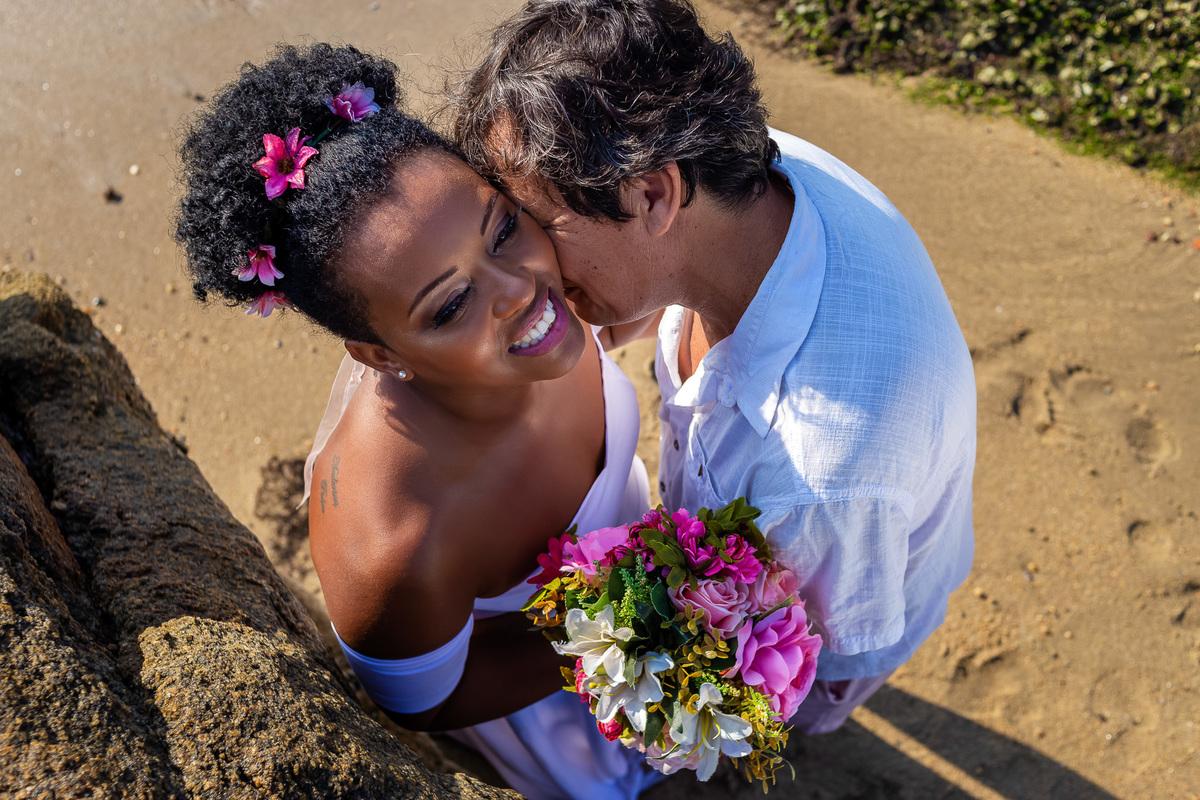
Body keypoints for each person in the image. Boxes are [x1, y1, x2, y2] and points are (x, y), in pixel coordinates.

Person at [452, 0, 977, 734]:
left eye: (537, 227)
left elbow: (805, 644)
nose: (528, 266)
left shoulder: (812, 478)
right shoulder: (741, 184)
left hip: (838, 601)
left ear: (653, 194)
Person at [174, 43, 664, 800]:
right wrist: (623, 633)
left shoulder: (568, 275)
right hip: (547, 689)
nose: (521, 290)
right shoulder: (395, 548)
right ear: (377, 353)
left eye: (501, 229)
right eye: (449, 305)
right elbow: (424, 701)